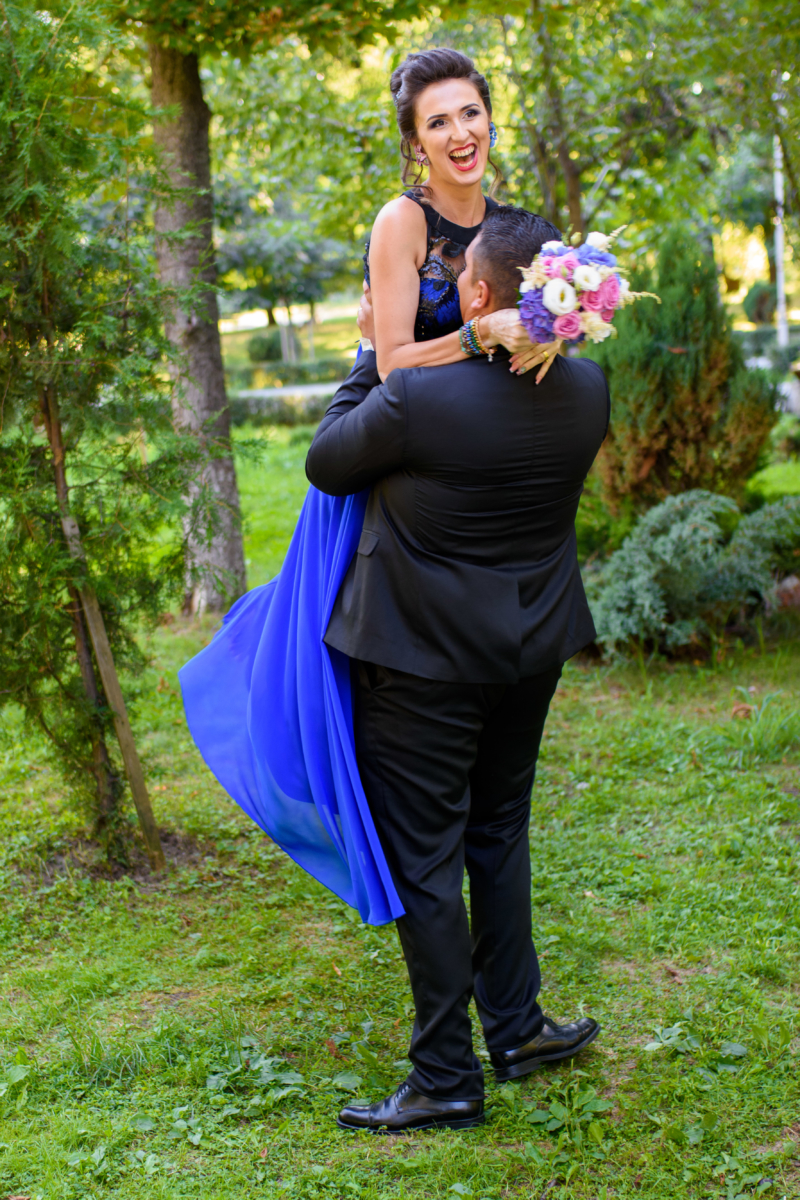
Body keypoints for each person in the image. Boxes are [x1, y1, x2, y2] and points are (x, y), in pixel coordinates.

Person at [179, 48, 558, 923]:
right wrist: (483, 336)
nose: (460, 133)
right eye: (438, 122)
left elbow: (537, 347)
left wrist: (551, 334)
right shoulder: (403, 222)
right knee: (351, 669)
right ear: (416, 143)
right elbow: (390, 364)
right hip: (385, 463)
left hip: (474, 478)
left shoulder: (516, 229)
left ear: (490, 119)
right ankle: (370, 818)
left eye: (471, 113)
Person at [305, 205, 609, 1134]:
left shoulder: (418, 399)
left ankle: (445, 1073)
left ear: (480, 298)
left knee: (427, 857)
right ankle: (517, 1029)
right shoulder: (587, 388)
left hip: (421, 661)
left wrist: (371, 351)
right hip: (531, 647)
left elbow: (328, 462)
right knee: (500, 830)